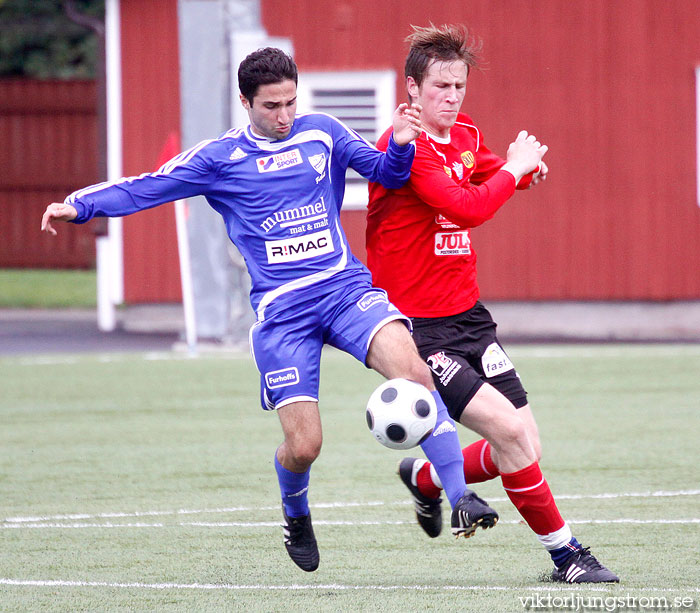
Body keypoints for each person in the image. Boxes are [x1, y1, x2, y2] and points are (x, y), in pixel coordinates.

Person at [41, 47, 499, 573]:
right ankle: (295, 512)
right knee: (305, 446)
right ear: (245, 102)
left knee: (415, 371)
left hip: (344, 289)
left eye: (290, 103)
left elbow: (387, 175)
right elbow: (149, 187)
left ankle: (461, 497)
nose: (284, 116)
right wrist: (80, 205)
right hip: (284, 314)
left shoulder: (322, 131)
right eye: (271, 106)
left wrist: (399, 143)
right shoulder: (218, 158)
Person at [367, 25, 619, 584]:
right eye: (440, 86)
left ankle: (426, 479)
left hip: (470, 318)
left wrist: (523, 171)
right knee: (507, 433)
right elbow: (468, 205)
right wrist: (513, 168)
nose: (453, 97)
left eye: (459, 85)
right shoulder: (401, 147)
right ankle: (566, 555)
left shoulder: (463, 132)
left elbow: (481, 168)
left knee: (527, 442)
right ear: (412, 88)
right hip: (420, 330)